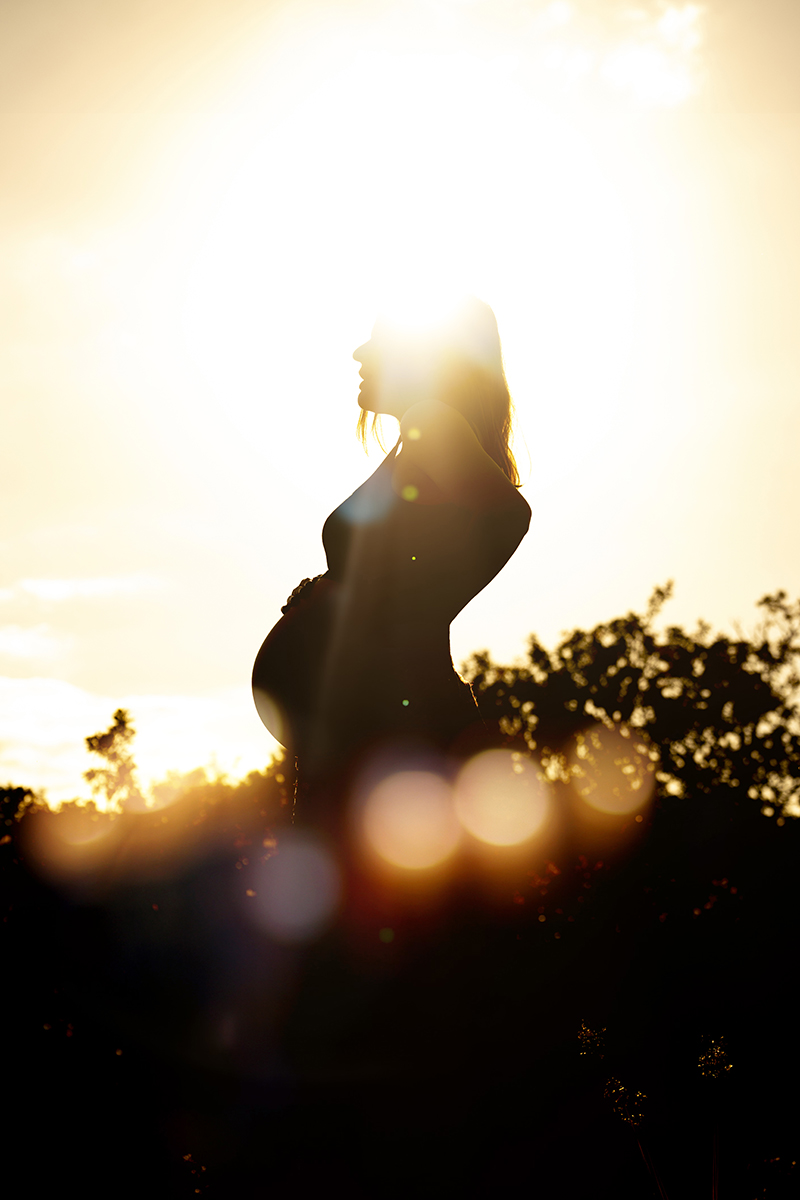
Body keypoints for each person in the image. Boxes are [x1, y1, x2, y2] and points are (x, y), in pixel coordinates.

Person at [252, 295, 531, 841]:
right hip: (366, 737)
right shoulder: (417, 441)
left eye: (378, 342)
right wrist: (338, 591)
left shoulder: (433, 421)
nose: (360, 353)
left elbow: (506, 515)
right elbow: (405, 561)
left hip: (395, 733)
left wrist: (387, 607)